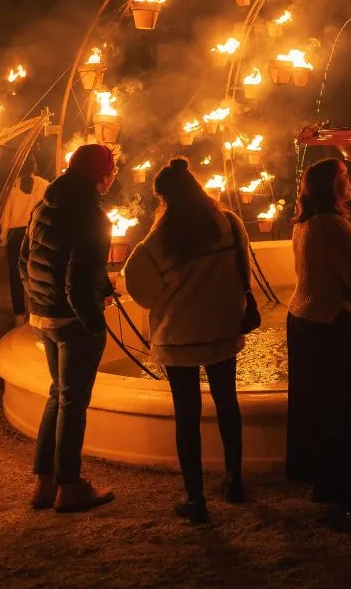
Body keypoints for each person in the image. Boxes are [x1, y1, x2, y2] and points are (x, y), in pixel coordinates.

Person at [123, 158, 253, 525]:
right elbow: (244, 269)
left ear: (164, 197)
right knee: (228, 404)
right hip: (221, 330)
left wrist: (166, 294)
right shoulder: (227, 223)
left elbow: (137, 281)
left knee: (187, 417)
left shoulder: (160, 238)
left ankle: (195, 499)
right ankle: (235, 480)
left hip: (179, 336)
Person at [284, 158, 351, 534]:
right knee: (349, 406)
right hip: (331, 324)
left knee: (315, 404)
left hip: (303, 319)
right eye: (343, 175)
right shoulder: (333, 226)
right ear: (329, 186)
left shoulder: (305, 224)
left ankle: (322, 482)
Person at [20, 143, 117, 513]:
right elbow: (76, 280)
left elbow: (25, 260)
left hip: (43, 314)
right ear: (99, 174)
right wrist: (92, 324)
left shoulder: (45, 205)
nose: (113, 176)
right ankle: (70, 486)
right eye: (111, 169)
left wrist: (38, 304)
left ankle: (44, 484)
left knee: (58, 395)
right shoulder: (92, 216)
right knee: (73, 402)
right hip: (72, 319)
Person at [1, 154, 50, 327]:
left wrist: (3, 238)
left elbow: (5, 214)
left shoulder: (11, 186)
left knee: (16, 275)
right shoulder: (45, 184)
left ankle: (19, 315)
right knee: (37, 272)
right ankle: (35, 310)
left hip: (16, 234)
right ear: (34, 166)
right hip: (37, 232)